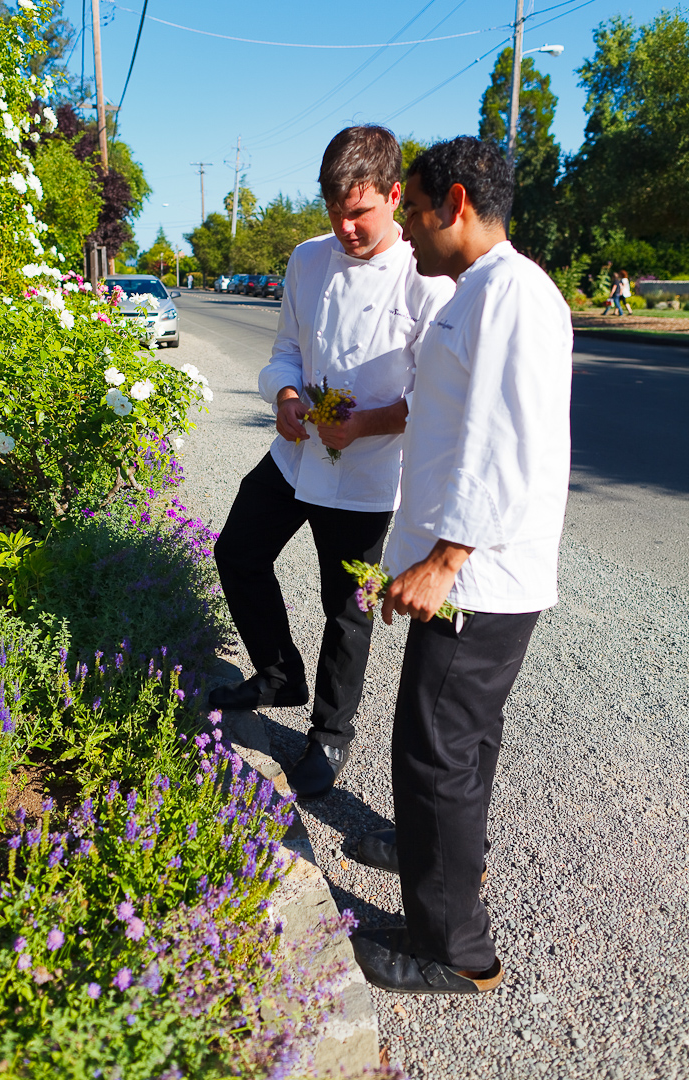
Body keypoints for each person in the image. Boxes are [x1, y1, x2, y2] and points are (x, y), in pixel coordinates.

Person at [352, 137, 572, 994]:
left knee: (434, 750)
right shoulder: (479, 291)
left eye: (412, 209)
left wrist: (445, 560)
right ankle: (445, 862)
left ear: (454, 203)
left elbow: (510, 444)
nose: (406, 224)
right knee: (462, 745)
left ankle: (456, 951)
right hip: (471, 572)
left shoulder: (511, 294)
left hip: (477, 579)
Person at [209, 125, 455, 798]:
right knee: (236, 552)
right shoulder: (307, 259)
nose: (345, 228)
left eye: (360, 213)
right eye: (336, 213)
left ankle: (330, 735)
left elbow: (434, 397)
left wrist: (367, 425)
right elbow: (285, 348)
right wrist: (285, 394)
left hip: (370, 478)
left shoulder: (424, 278)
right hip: (294, 458)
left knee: (346, 611)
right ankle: (278, 673)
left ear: (396, 196)